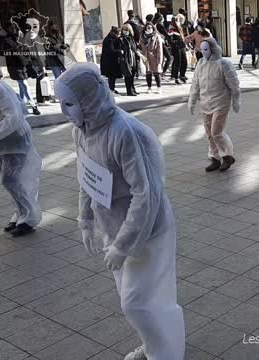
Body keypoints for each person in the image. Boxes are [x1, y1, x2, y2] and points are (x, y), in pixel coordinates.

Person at [54, 63, 185, 360]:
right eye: (60, 103)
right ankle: (154, 346)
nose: (64, 111)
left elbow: (146, 195)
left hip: (147, 230)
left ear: (89, 99)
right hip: (112, 228)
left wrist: (123, 245)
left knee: (141, 302)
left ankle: (167, 354)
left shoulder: (125, 133)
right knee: (133, 298)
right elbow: (86, 175)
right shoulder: (82, 130)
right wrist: (85, 218)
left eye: (70, 103)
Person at [189, 38, 240, 172]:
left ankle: (227, 156)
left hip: (221, 102)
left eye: (206, 49)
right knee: (209, 134)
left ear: (213, 49)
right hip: (205, 103)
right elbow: (195, 84)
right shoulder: (200, 64)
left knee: (216, 132)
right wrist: (192, 100)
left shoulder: (223, 64)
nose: (203, 52)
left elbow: (234, 84)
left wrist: (236, 100)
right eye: (202, 50)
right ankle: (215, 158)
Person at [0, 80, 42, 237]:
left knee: (12, 180)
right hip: (3, 143)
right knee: (11, 182)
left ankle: (30, 218)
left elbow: (13, 118)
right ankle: (20, 214)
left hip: (15, 140)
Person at [0, 23, 40, 115]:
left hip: (23, 65)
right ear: (7, 29)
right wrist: (13, 50)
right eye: (11, 27)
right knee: (25, 85)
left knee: (22, 87)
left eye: (14, 27)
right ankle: (34, 106)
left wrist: (26, 51)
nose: (13, 29)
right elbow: (1, 52)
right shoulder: (4, 40)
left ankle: (20, 106)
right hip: (14, 66)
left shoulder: (19, 38)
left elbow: (26, 49)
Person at [141, 23, 164, 94]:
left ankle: (159, 87)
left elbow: (159, 49)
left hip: (154, 56)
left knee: (157, 73)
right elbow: (140, 46)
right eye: (147, 28)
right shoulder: (142, 37)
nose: (149, 29)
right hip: (146, 57)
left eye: (150, 27)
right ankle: (149, 87)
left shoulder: (156, 36)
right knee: (148, 73)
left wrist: (159, 60)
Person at [100, 27, 124, 94]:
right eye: (118, 34)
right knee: (111, 76)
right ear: (114, 33)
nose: (119, 36)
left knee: (112, 76)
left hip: (112, 61)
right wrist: (119, 51)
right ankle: (111, 89)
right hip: (109, 62)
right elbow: (111, 50)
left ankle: (112, 88)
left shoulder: (113, 39)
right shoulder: (109, 40)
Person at [120, 24, 139, 96]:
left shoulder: (131, 38)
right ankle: (129, 90)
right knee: (128, 75)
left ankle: (133, 88)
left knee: (133, 74)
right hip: (126, 58)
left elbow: (134, 48)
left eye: (127, 30)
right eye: (124, 30)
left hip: (133, 58)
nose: (125, 31)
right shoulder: (121, 39)